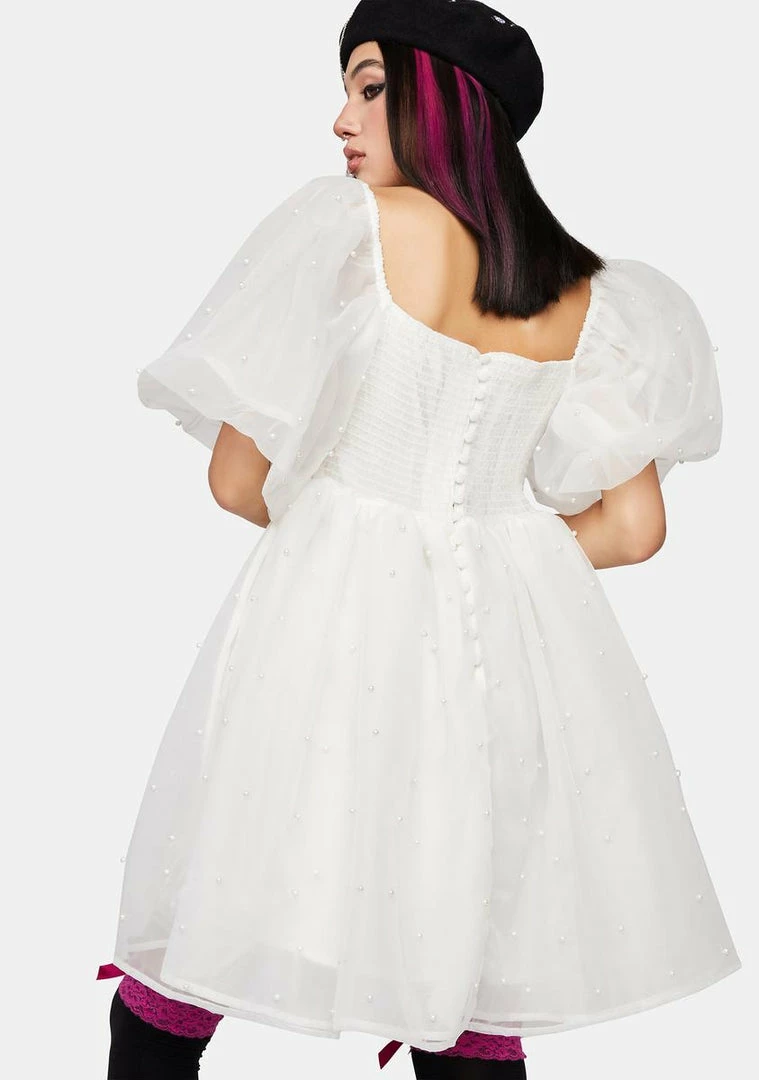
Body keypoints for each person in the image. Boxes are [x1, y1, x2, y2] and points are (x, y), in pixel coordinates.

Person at [98, 1, 742, 1076]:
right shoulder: (590, 295)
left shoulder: (353, 228)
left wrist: (352, 534)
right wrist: (488, 548)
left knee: (215, 917)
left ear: (447, 102)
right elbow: (634, 530)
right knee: (469, 956)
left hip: (327, 629)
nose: (341, 120)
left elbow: (236, 480)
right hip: (499, 650)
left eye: (370, 87)